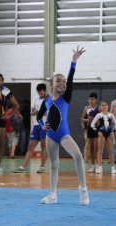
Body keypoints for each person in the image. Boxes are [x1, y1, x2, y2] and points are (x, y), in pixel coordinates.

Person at [36, 46, 89, 206]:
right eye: (58, 80)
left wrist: (73, 62)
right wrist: (42, 125)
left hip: (64, 134)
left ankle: (83, 189)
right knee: (53, 165)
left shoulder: (66, 97)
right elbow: (39, 117)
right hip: (50, 135)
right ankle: (53, 194)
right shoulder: (46, 100)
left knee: (78, 156)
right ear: (51, 85)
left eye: (64, 81)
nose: (63, 83)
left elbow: (71, 78)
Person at [14, 83, 48, 173]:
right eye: (38, 93)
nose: (40, 94)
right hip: (36, 126)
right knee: (30, 146)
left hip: (45, 126)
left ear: (45, 91)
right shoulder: (35, 99)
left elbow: (46, 113)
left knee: (43, 147)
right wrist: (39, 112)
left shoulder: (49, 100)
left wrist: (38, 112)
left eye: (41, 92)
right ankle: (23, 166)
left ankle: (42, 167)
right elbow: (32, 112)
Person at [91, 100, 116, 174]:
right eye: (102, 105)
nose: (104, 106)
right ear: (100, 107)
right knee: (100, 151)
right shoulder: (99, 115)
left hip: (109, 134)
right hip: (102, 134)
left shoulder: (111, 115)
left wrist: (113, 131)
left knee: (110, 152)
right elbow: (92, 125)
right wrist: (98, 131)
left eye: (105, 105)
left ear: (108, 106)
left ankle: (113, 168)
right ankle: (99, 168)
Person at [81, 92, 99, 173]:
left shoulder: (99, 108)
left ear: (96, 100)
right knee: (91, 149)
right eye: (89, 99)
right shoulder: (86, 108)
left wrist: (96, 120)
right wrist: (85, 126)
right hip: (89, 129)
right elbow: (82, 119)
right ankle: (92, 166)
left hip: (97, 129)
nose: (90, 101)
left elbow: (102, 117)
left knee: (96, 148)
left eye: (92, 99)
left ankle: (98, 166)